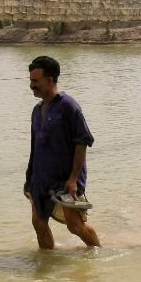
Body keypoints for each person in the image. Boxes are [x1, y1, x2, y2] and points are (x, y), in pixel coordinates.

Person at [24, 56, 101, 249]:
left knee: (75, 226)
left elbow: (82, 142)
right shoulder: (36, 111)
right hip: (40, 178)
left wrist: (74, 179)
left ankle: (98, 253)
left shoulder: (68, 106)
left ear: (50, 80)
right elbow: (35, 147)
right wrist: (29, 179)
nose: (31, 85)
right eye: (30, 80)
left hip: (65, 178)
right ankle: (46, 267)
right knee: (38, 223)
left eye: (35, 81)